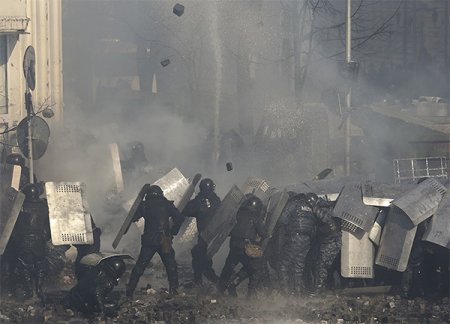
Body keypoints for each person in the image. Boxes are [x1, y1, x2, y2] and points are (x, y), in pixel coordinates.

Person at [125, 185, 184, 297]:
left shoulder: (144, 205)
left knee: (140, 266)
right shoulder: (167, 205)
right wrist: (173, 231)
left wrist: (137, 207)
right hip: (164, 240)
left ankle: (130, 291)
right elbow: (180, 218)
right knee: (171, 265)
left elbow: (132, 218)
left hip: (149, 240)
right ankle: (174, 290)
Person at [218, 194, 268, 297]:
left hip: (234, 246)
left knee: (228, 268)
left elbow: (229, 231)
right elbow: (263, 233)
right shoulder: (255, 217)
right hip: (246, 249)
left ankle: (220, 290)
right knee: (254, 269)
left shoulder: (237, 214)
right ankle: (249, 294)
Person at [10, 183, 50, 300]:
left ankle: (29, 291)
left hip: (24, 241)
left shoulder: (20, 207)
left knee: (25, 266)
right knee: (40, 265)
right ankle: (39, 289)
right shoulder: (44, 206)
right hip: (39, 241)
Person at [182, 178, 221, 286]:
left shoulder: (197, 202)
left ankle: (213, 281)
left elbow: (185, 210)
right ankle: (203, 280)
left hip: (205, 236)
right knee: (199, 256)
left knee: (201, 258)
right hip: (215, 235)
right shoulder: (216, 200)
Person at [277, 193, 317, 295]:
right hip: (307, 240)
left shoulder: (294, 203)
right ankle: (298, 294)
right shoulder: (310, 207)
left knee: (283, 265)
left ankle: (285, 294)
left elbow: (282, 220)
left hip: (295, 237)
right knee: (298, 268)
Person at [306, 192, 341, 294]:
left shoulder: (322, 208)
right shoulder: (325, 206)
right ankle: (330, 287)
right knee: (331, 266)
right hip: (331, 240)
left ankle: (319, 289)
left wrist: (314, 208)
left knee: (322, 266)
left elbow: (325, 219)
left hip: (330, 241)